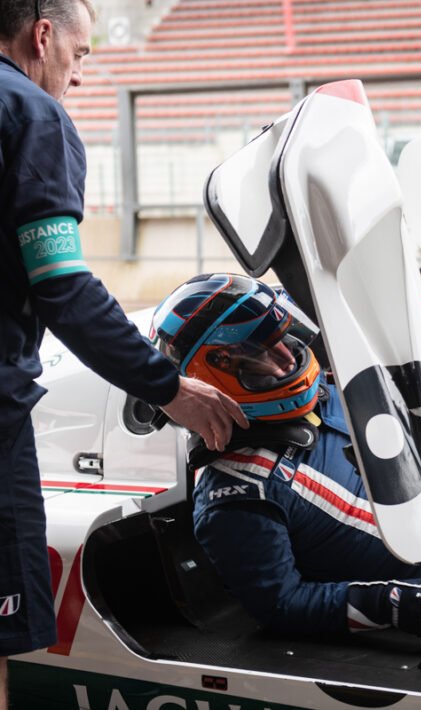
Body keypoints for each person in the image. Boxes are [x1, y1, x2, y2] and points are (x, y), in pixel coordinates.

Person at [0, 2, 247, 704]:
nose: (78, 75)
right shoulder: (31, 115)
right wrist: (169, 387)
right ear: (42, 36)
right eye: (79, 54)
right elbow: (62, 285)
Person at [151, 273, 421, 637]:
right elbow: (280, 606)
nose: (287, 356)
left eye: (281, 339)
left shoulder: (327, 391)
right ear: (215, 376)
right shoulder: (236, 497)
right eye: (261, 352)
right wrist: (385, 603)